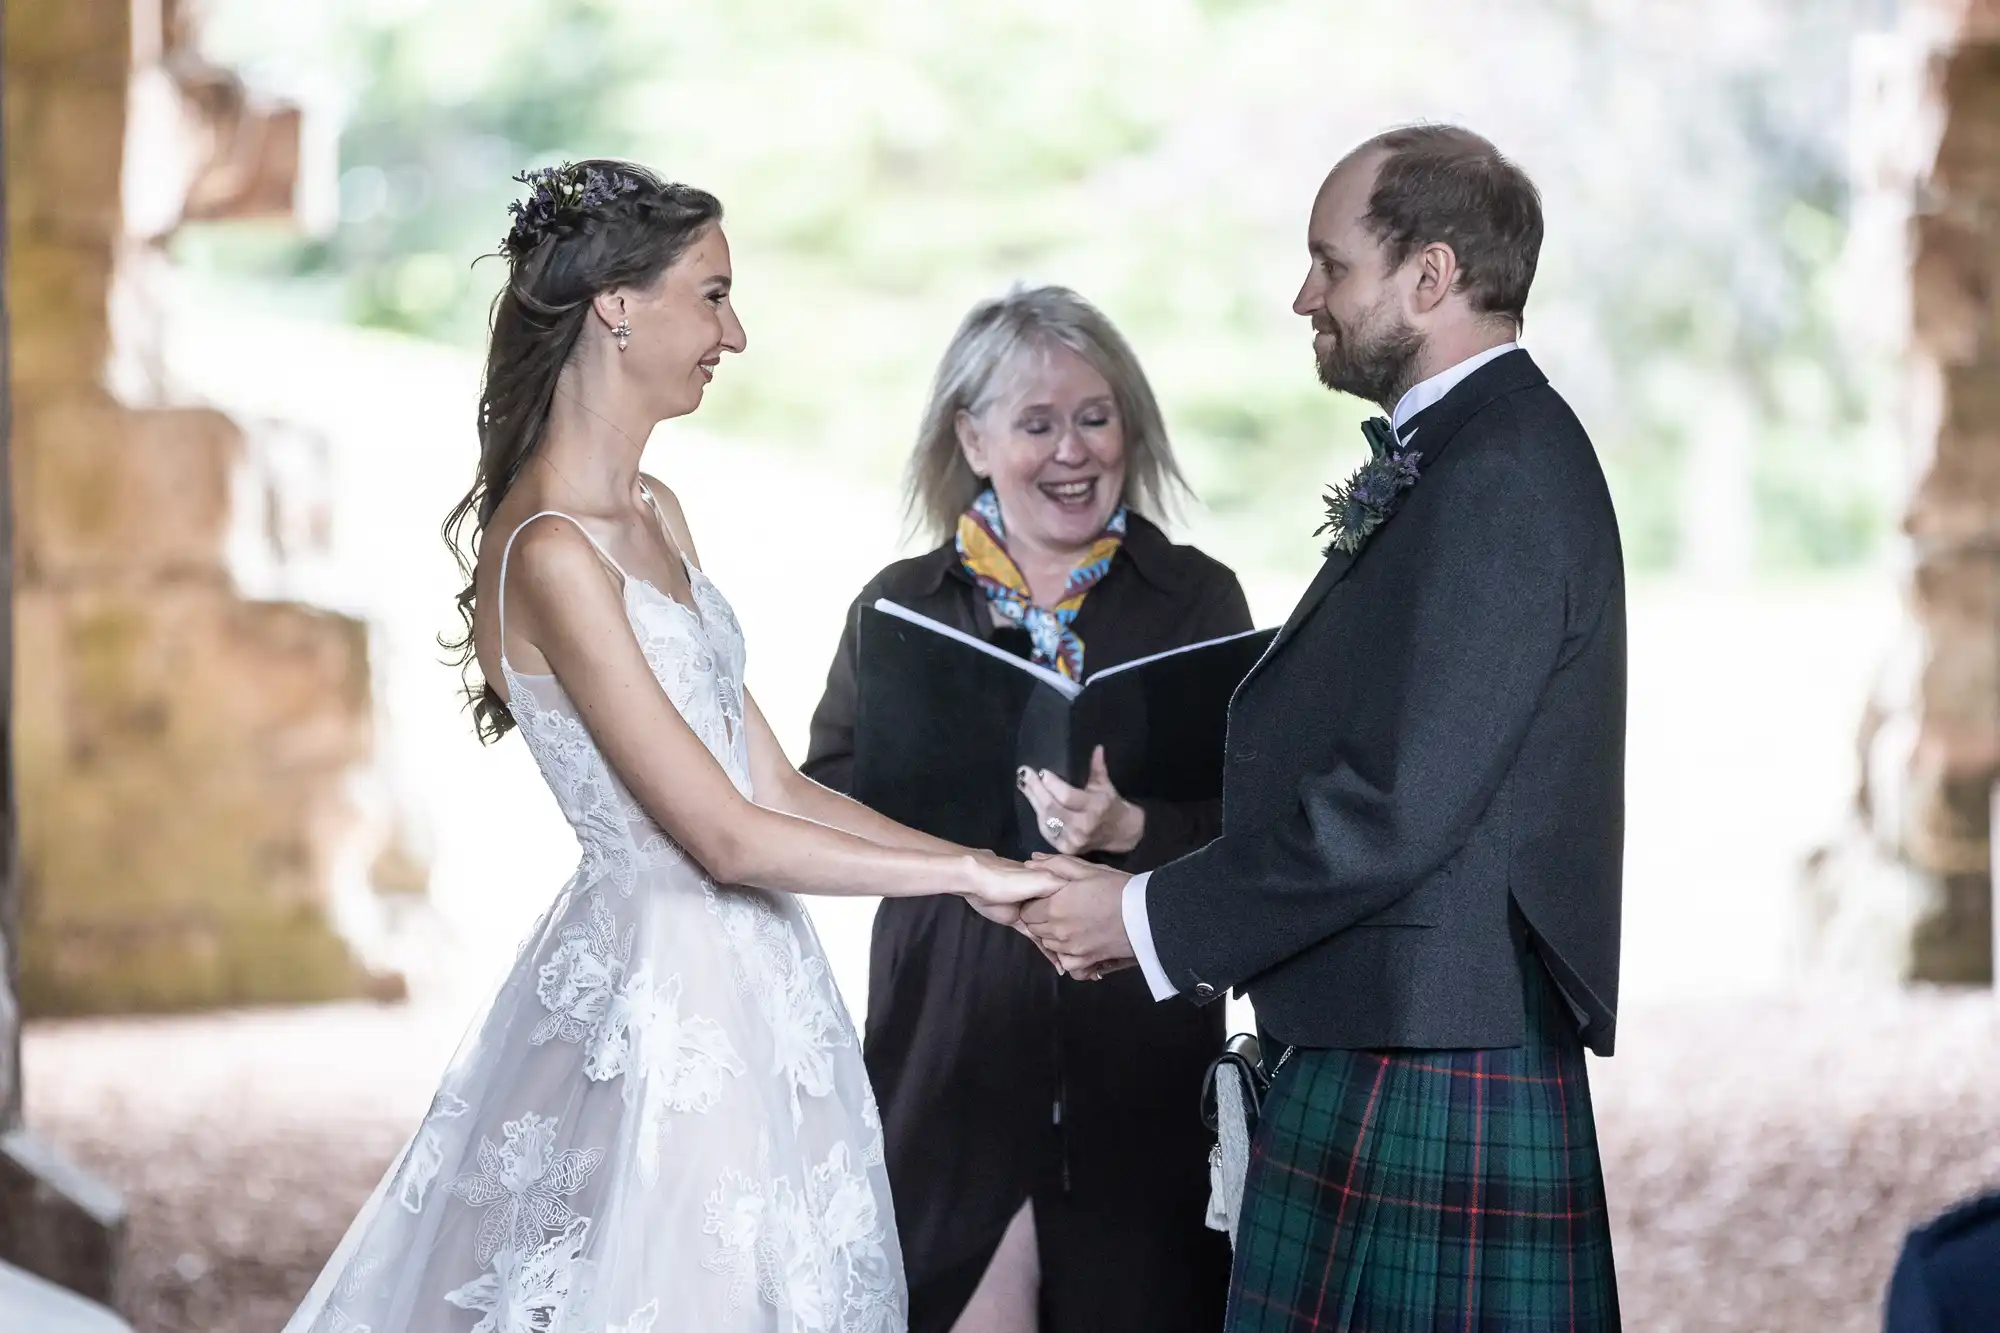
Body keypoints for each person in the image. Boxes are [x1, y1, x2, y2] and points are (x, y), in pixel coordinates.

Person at [281, 160, 1063, 1333]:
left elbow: (775, 786)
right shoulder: (550, 551)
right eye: (712, 294)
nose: (733, 333)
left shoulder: (655, 512)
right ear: (616, 304)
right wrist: (964, 876)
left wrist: (982, 866)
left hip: (760, 989)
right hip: (661, 1000)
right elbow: (722, 836)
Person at [1022, 125, 1627, 1330]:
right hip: (1395, 1020)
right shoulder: (1465, 453)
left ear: (1431, 276)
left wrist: (1142, 914)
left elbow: (1394, 801)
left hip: (1435, 1042)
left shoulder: (1498, 471)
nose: (1304, 295)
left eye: (1328, 263)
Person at [802, 285, 1246, 1333]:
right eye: (1035, 422)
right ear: (971, 434)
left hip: (1140, 1064)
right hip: (948, 1047)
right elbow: (820, 797)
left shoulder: (1197, 599)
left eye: (1093, 416)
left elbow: (1261, 834)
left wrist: (1129, 829)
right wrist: (948, 828)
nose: (1070, 450)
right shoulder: (899, 606)